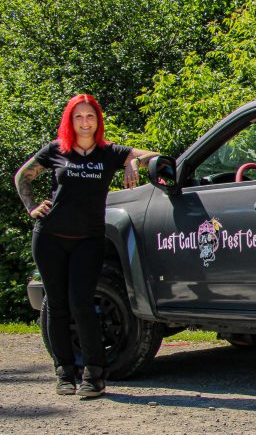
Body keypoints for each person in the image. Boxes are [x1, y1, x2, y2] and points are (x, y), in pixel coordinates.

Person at [14, 94, 159, 397]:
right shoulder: (57, 150)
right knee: (57, 304)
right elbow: (22, 177)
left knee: (82, 302)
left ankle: (94, 373)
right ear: (70, 120)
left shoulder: (109, 153)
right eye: (78, 117)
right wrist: (31, 207)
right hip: (50, 237)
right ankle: (65, 372)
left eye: (89, 116)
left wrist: (132, 161)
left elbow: (153, 156)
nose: (84, 122)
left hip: (89, 239)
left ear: (97, 120)